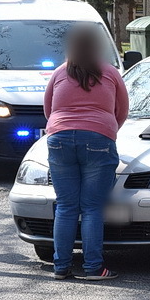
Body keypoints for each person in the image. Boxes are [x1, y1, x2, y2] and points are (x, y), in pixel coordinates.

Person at [42, 24, 129, 281]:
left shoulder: (59, 73)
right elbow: (122, 110)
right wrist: (106, 130)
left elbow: (48, 110)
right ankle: (94, 268)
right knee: (92, 207)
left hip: (59, 139)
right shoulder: (110, 73)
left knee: (66, 206)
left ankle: (61, 267)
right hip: (98, 138)